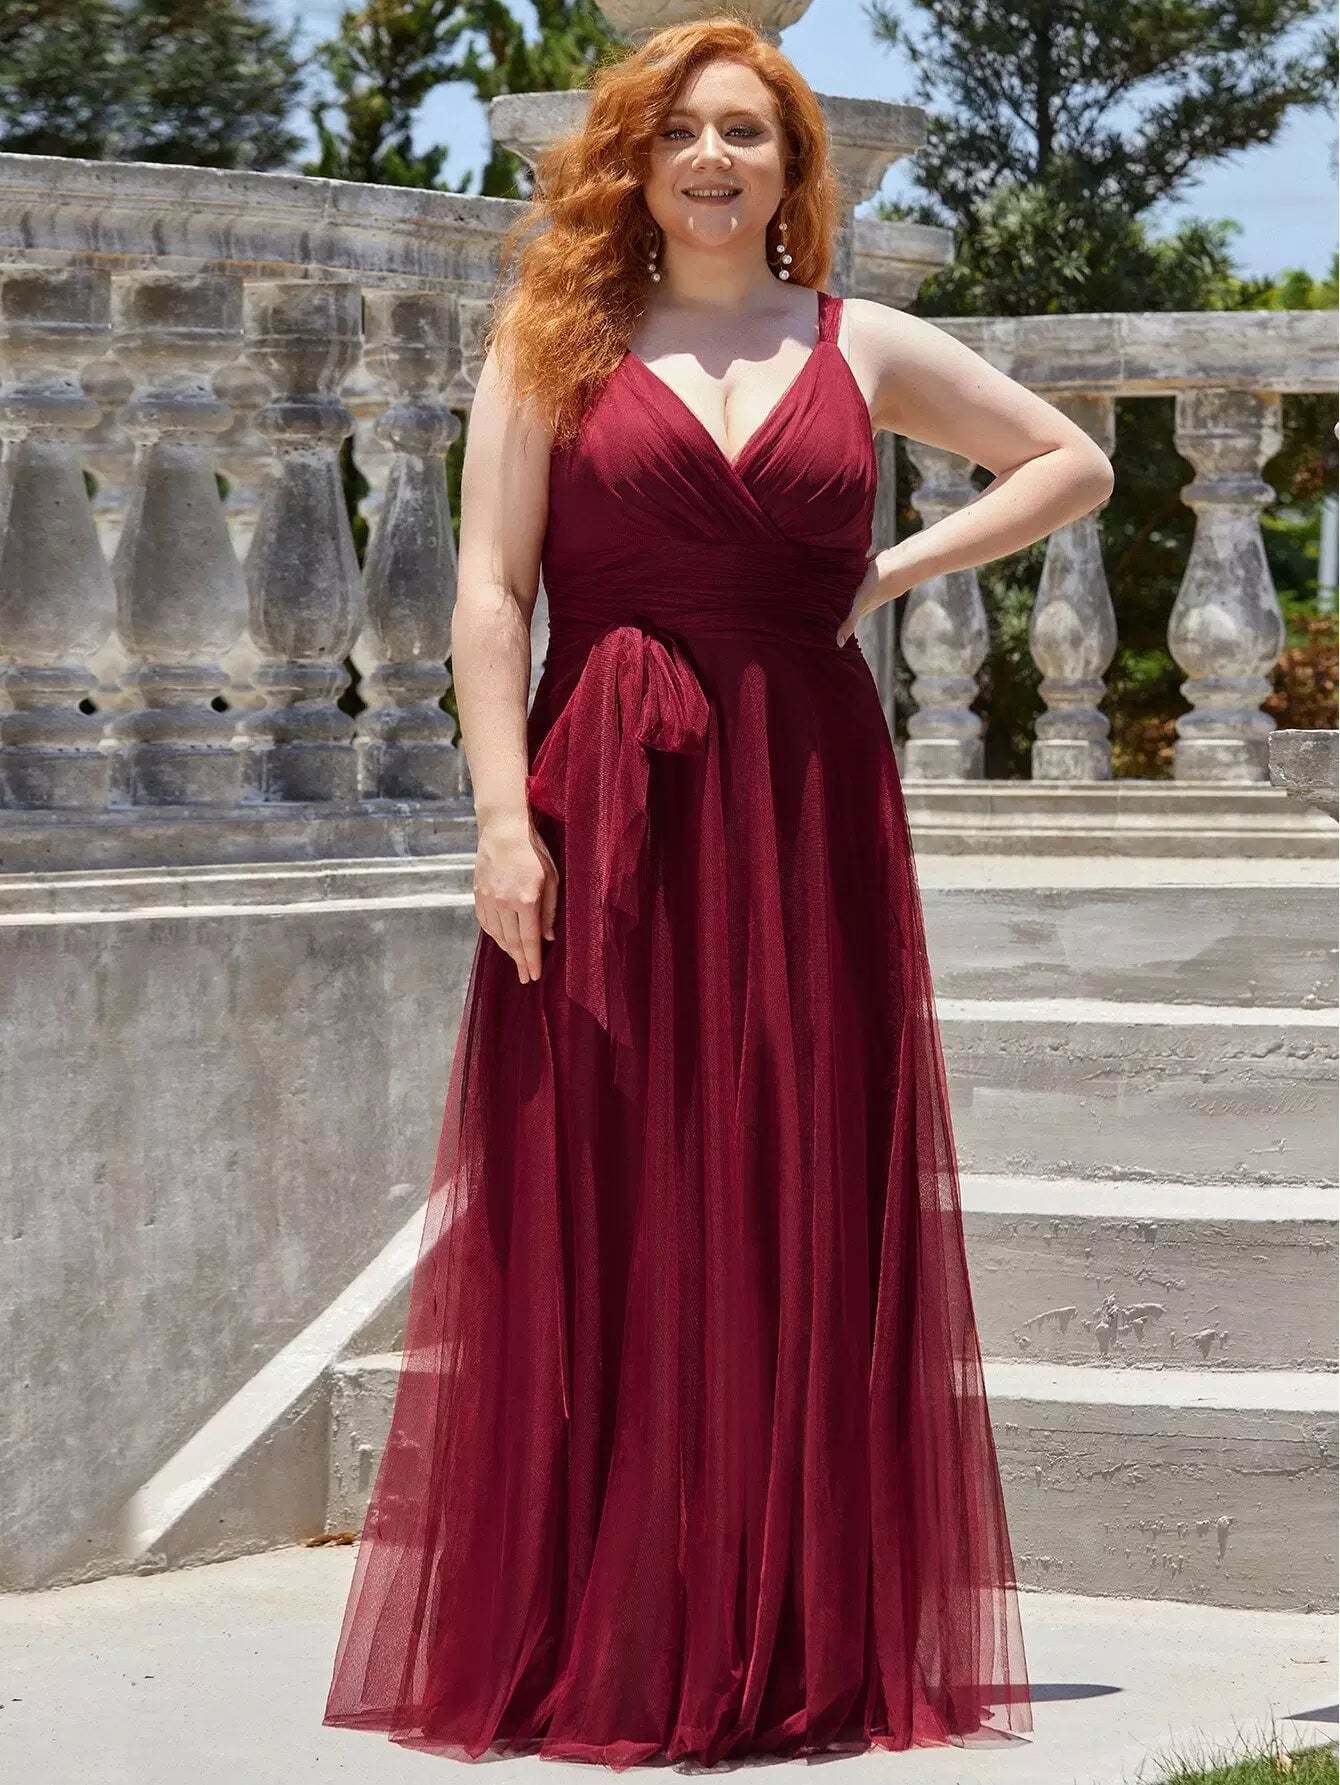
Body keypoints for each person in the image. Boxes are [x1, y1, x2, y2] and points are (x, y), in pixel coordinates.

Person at [323, 15, 1112, 1769]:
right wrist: (501, 818)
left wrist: (883, 572)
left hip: (810, 803)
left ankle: (788, 1634)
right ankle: (611, 1631)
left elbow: (1074, 460)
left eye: (747, 132)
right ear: (635, 154)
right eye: (682, 128)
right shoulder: (553, 340)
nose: (711, 157)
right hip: (605, 800)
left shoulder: (858, 339)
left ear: (791, 167)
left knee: (796, 1190)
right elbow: (488, 593)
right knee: (615, 1193)